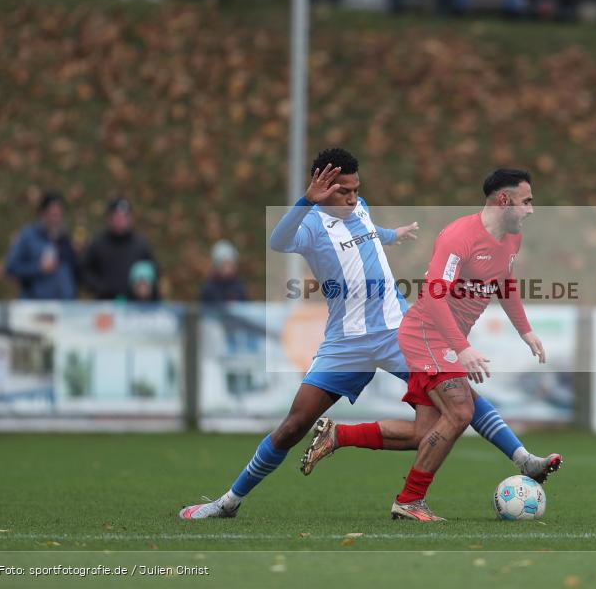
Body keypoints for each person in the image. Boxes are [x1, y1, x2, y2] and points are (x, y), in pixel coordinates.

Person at [178, 150, 559, 520]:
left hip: (398, 332)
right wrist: (304, 202)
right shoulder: (309, 225)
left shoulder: (360, 208)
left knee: (462, 403)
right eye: (343, 191)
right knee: (293, 425)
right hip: (345, 342)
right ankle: (228, 502)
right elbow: (277, 242)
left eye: (356, 189)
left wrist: (393, 235)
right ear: (321, 187)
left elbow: (367, 232)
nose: (353, 197)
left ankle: (522, 458)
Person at [370, 168, 550, 522]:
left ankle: (337, 435)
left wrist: (525, 330)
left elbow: (506, 284)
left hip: (446, 339)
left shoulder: (511, 238)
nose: (531, 210)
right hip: (425, 333)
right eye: (526, 202)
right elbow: (435, 298)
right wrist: (462, 348)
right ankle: (409, 500)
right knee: (462, 410)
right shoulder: (458, 237)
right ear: (504, 200)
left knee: (425, 430)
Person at [81, 198, 158, 301]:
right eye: (116, 216)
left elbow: (152, 272)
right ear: (109, 218)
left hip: (135, 304)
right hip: (105, 304)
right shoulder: (98, 243)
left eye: (124, 217)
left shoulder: (140, 244)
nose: (120, 221)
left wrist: (145, 288)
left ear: (130, 219)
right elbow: (84, 270)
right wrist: (99, 286)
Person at [4, 192, 77, 300]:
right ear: (43, 214)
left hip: (63, 306)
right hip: (34, 305)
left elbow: (72, 272)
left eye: (59, 214)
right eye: (52, 214)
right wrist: (38, 268)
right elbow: (11, 268)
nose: (55, 219)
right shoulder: (28, 237)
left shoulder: (65, 238)